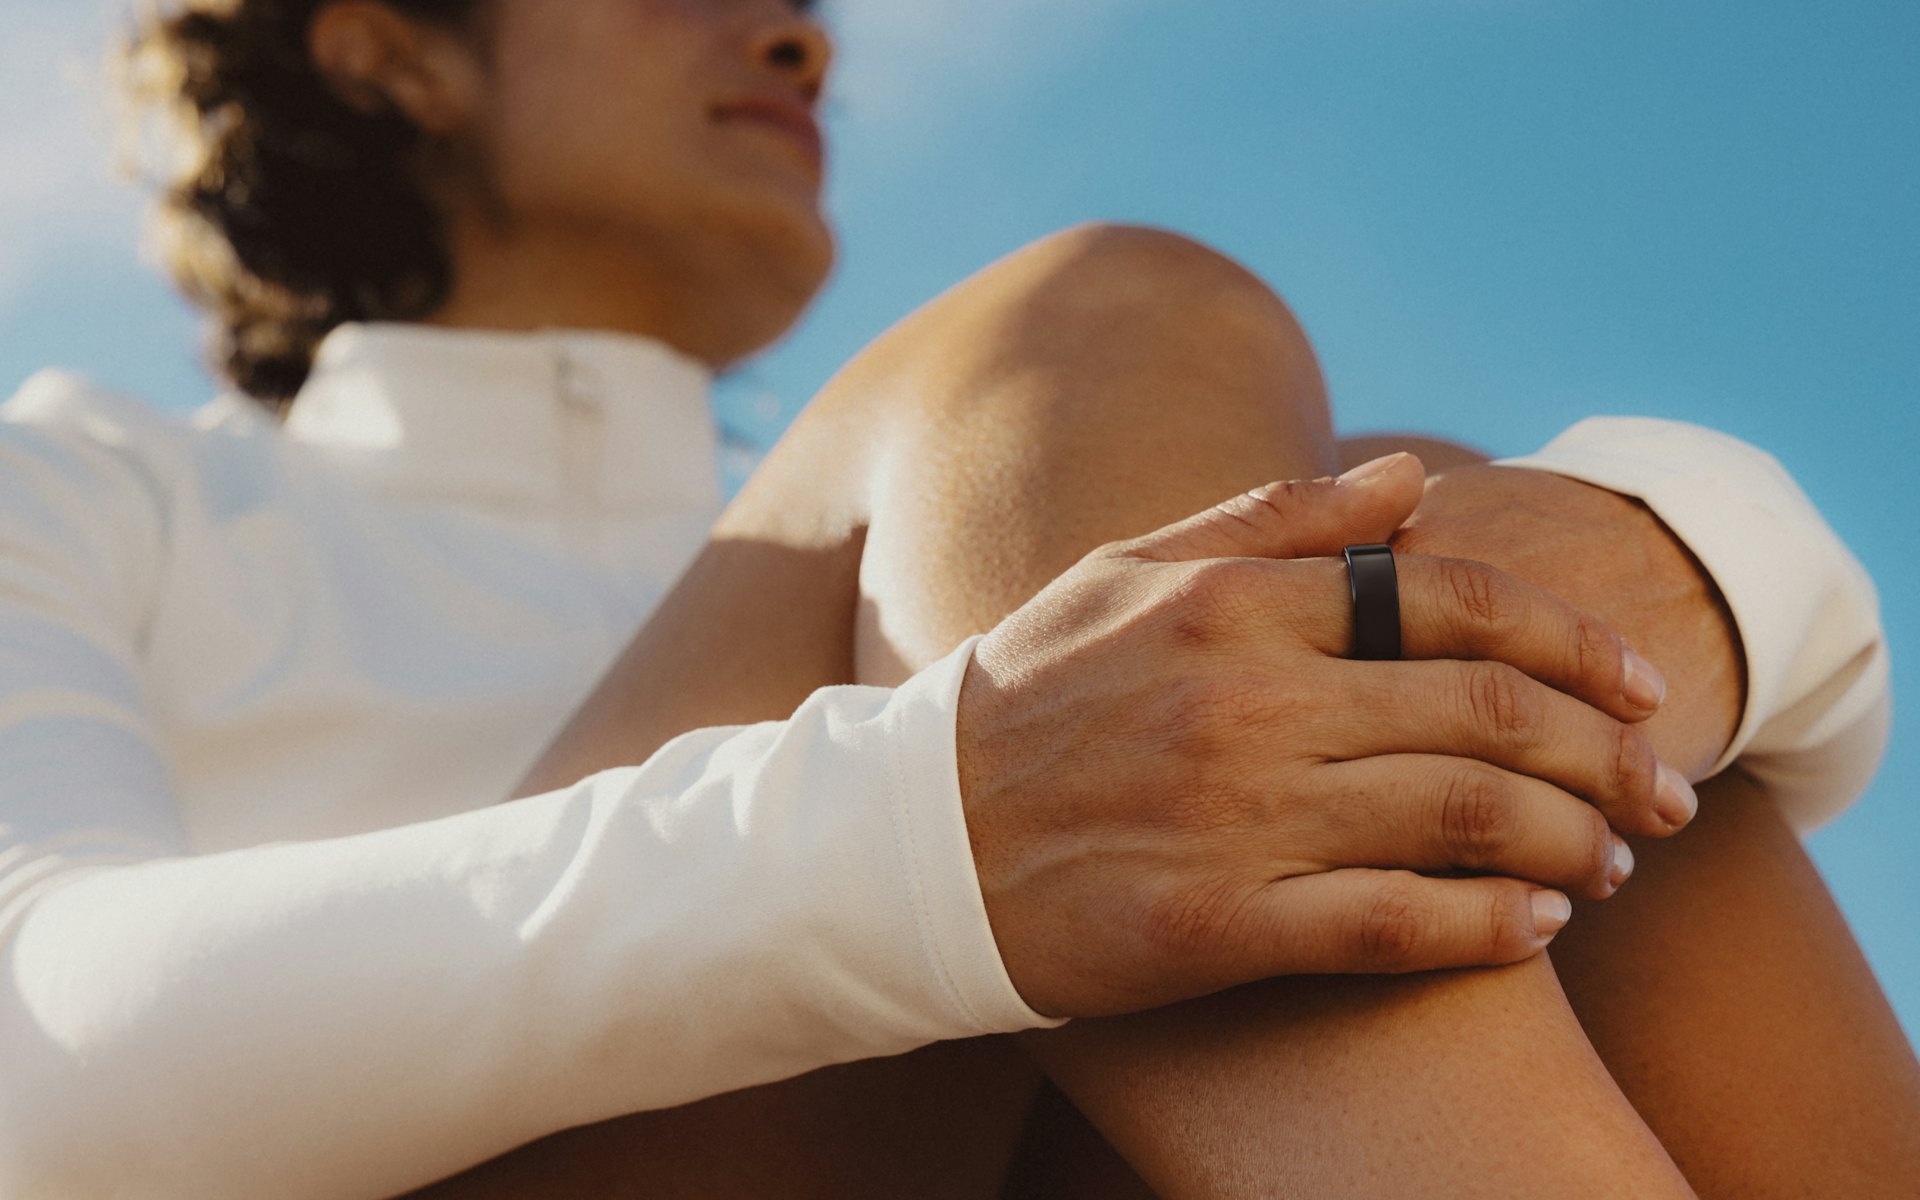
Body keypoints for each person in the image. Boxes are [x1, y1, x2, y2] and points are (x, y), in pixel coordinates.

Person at [0, 0, 1910, 1196]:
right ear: (387, 47)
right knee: (1100, 336)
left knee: (1388, 562)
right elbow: (34, 1053)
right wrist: (938, 827)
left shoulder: (904, 542)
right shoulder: (94, 477)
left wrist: (1713, 554)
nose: (802, 40)